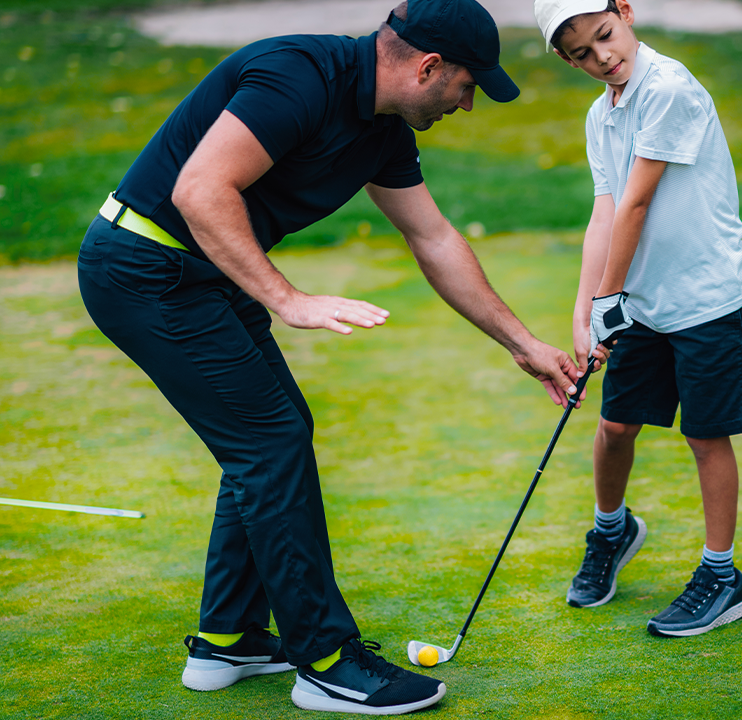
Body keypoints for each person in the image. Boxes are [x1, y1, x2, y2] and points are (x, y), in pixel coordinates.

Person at [77, 0, 585, 714]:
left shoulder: (383, 131)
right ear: (428, 67)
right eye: (467, 86)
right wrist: (287, 299)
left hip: (205, 275)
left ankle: (228, 639)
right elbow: (199, 190)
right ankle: (323, 662)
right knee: (269, 442)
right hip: (145, 268)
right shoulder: (299, 74)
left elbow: (435, 238)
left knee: (274, 436)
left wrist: (523, 343)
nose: (467, 105)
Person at [533, 0, 742, 637]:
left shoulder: (668, 89)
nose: (602, 57)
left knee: (705, 436)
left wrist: (608, 300)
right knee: (615, 426)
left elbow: (636, 204)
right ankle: (612, 530)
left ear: (625, 13)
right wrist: (586, 309)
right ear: (566, 60)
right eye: (582, 53)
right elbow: (604, 212)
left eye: (605, 35)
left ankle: (722, 576)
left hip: (707, 296)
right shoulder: (600, 113)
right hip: (642, 302)